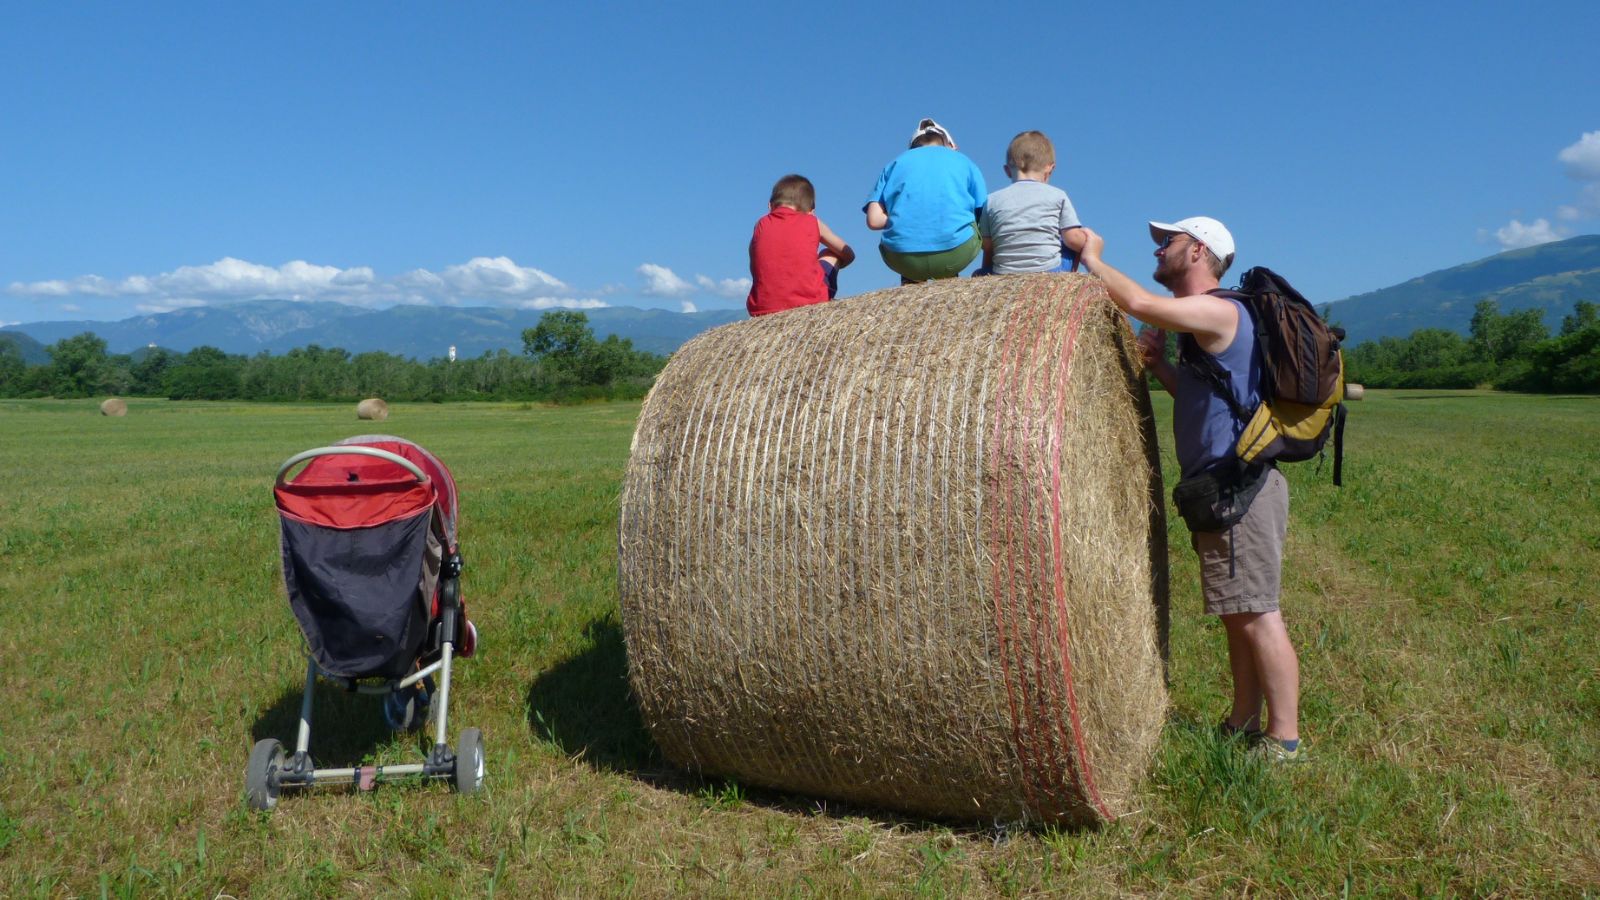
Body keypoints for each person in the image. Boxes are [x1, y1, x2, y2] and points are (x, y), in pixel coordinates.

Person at [1077, 216, 1304, 763]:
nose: (1158, 249)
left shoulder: (1221, 309)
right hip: (1220, 487)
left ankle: (1284, 737)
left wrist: (1092, 259)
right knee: (1236, 609)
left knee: (1257, 611)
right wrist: (1160, 369)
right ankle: (1243, 718)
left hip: (1240, 487)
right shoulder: (1206, 329)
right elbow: (1205, 400)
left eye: (1168, 242)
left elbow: (1138, 303)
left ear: (1198, 250)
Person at [863, 118, 987, 283]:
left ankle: (911, 285)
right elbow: (983, 212)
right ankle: (948, 283)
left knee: (907, 250)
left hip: (902, 256)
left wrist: (903, 217)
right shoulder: (964, 161)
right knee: (972, 222)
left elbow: (873, 221)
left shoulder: (895, 163)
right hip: (955, 252)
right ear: (950, 145)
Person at [978, 130, 1087, 274]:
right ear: (1050, 168)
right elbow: (1073, 239)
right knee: (1069, 241)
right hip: (1050, 270)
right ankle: (1068, 281)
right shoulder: (1058, 195)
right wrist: (1091, 241)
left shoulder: (991, 200)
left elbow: (987, 246)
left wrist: (985, 273)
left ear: (1007, 171)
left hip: (1003, 273)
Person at [746, 174, 855, 317]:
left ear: (769, 206)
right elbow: (847, 252)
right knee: (830, 253)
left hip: (762, 307)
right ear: (811, 210)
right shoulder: (812, 221)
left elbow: (754, 264)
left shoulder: (760, 224)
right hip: (810, 302)